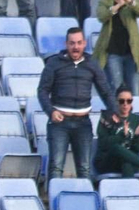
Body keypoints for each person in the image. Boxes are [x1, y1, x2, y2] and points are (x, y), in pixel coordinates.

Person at [37, 26, 115, 181]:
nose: (76, 47)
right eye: (72, 43)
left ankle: (84, 202)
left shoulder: (92, 64)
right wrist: (51, 111)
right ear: (66, 44)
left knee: (85, 169)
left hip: (83, 123)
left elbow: (106, 91)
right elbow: (42, 91)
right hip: (59, 123)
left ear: (84, 43)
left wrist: (115, 113)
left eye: (79, 43)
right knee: (56, 167)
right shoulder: (53, 63)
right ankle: (54, 203)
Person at [95, 0, 139, 97]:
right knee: (116, 88)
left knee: (134, 89)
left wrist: (129, 1)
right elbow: (102, 16)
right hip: (112, 51)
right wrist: (117, 6)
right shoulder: (106, 1)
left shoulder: (133, 1)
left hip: (131, 51)